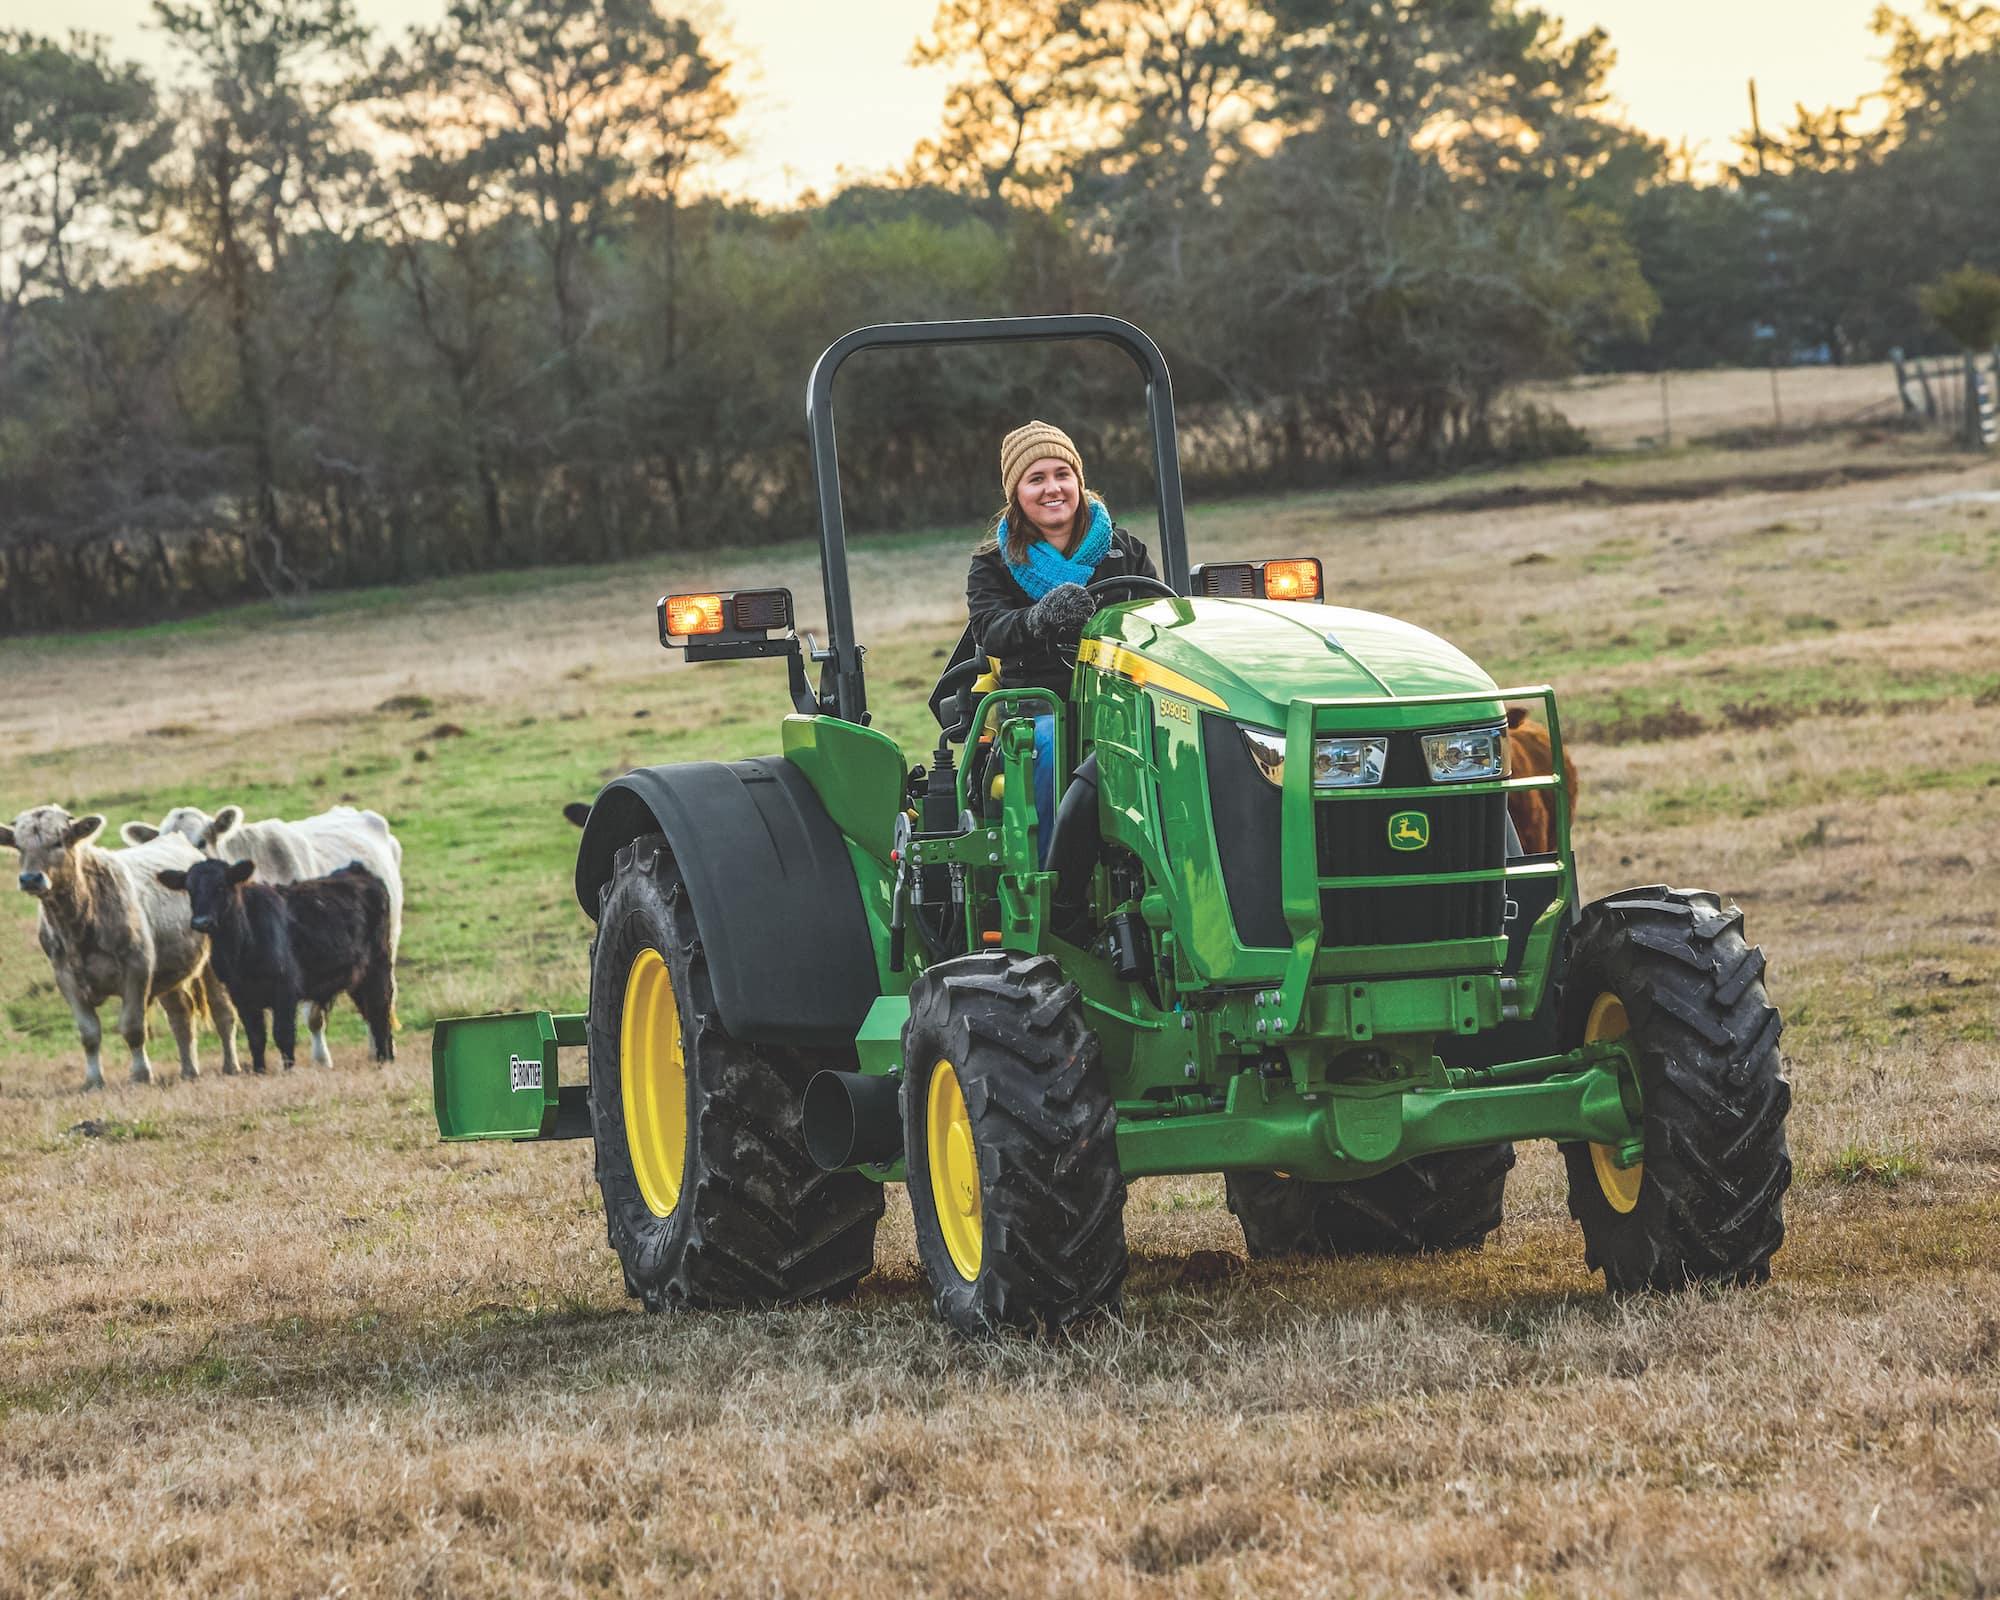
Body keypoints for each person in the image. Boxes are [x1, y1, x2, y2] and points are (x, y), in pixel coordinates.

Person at [965, 421, 1159, 853]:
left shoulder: (1125, 550)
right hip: (1038, 708)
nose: (1053, 488)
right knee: (1053, 744)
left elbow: (1157, 619)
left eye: (1062, 475)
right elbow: (990, 630)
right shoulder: (993, 564)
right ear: (1016, 493)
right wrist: (1039, 618)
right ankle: (1057, 879)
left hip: (1122, 701)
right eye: (1036, 479)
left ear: (1079, 481)